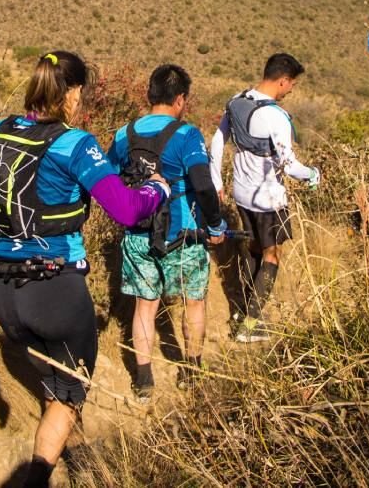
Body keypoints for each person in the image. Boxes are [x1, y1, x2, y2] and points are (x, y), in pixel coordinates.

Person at [0, 50, 169, 487]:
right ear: (73, 92)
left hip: (4, 292)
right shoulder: (75, 143)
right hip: (56, 289)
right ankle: (39, 478)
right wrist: (156, 191)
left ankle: (76, 457)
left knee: (54, 383)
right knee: (68, 397)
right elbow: (124, 210)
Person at [105, 64, 225, 401]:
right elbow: (202, 184)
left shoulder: (123, 135)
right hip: (182, 236)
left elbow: (109, 181)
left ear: (149, 94)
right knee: (193, 302)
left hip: (138, 235)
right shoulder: (187, 135)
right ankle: (191, 371)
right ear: (181, 99)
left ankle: (143, 382)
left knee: (145, 306)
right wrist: (215, 225)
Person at [209, 52, 318, 343]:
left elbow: (219, 139)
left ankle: (243, 311)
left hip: (241, 193)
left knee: (254, 248)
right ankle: (250, 325)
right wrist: (313, 175)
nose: (291, 89)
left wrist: (217, 179)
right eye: (291, 84)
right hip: (268, 198)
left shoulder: (237, 101)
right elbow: (289, 165)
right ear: (282, 81)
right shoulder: (275, 116)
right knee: (272, 254)